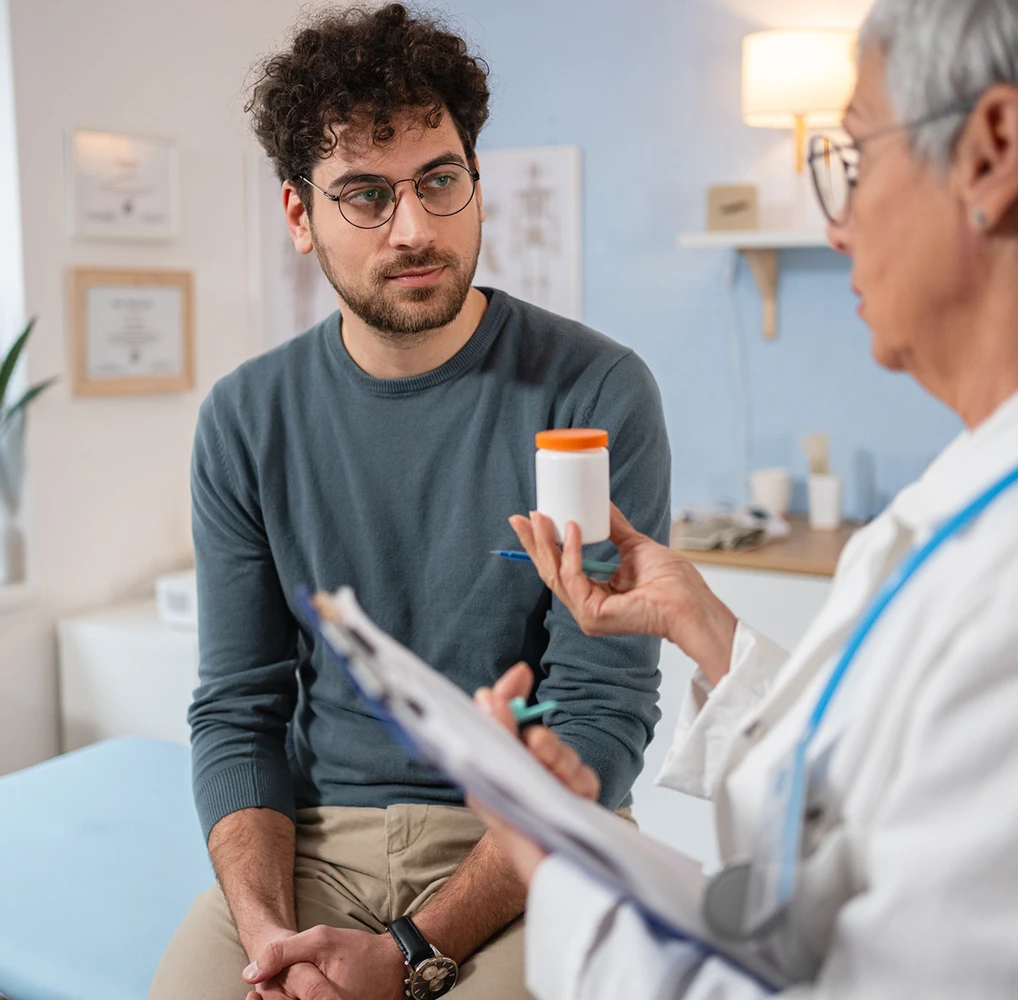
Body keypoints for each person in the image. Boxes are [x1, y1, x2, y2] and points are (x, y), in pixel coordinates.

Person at [473, 0, 1018, 996]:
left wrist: (558, 867)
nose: (837, 224)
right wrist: (700, 624)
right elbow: (886, 802)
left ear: (993, 152)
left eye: (854, 154)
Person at [147, 6, 672, 1000]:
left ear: (477, 184)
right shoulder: (245, 419)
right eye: (364, 196)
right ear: (298, 215)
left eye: (440, 180)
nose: (416, 228)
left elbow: (605, 709)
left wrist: (405, 952)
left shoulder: (595, 394)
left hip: (528, 839)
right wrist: (267, 941)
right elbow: (238, 708)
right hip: (315, 845)